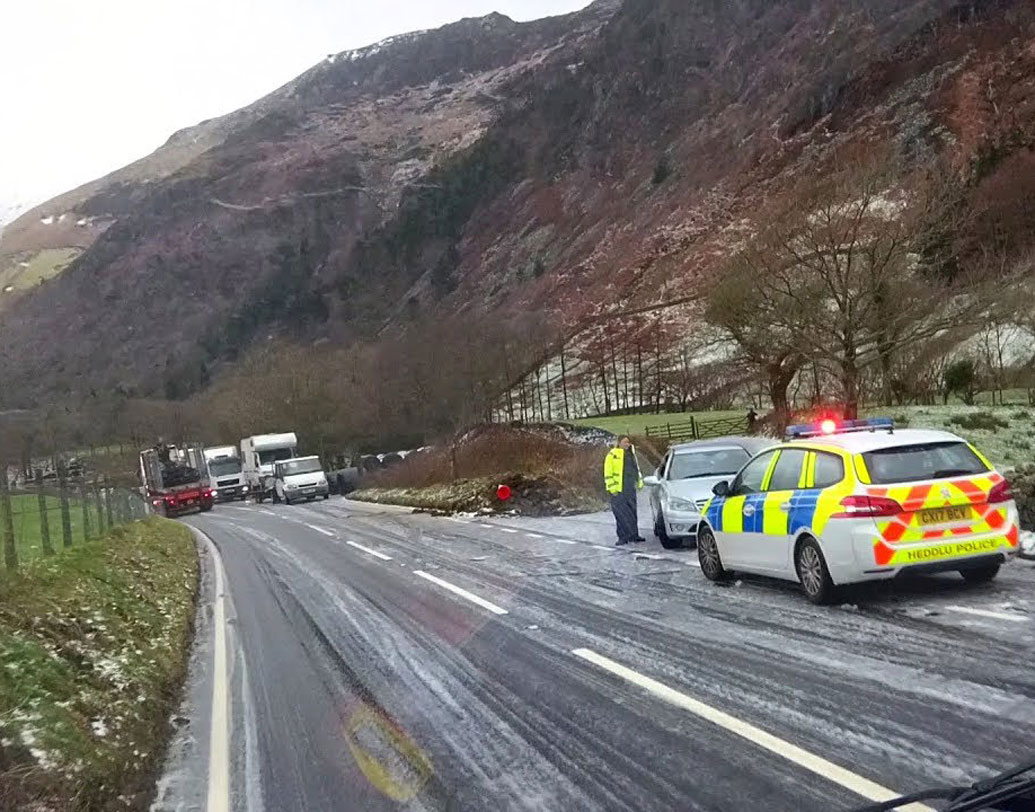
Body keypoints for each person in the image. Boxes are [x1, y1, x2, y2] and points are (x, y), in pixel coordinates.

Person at [603, 435, 644, 546]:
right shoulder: (612, 455)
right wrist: (612, 488)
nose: (627, 444)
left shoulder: (632, 454)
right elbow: (608, 472)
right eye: (625, 442)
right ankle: (622, 537)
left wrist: (639, 482)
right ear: (619, 443)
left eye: (628, 442)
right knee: (621, 514)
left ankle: (634, 535)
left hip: (630, 488)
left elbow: (636, 469)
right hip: (618, 490)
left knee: (632, 513)